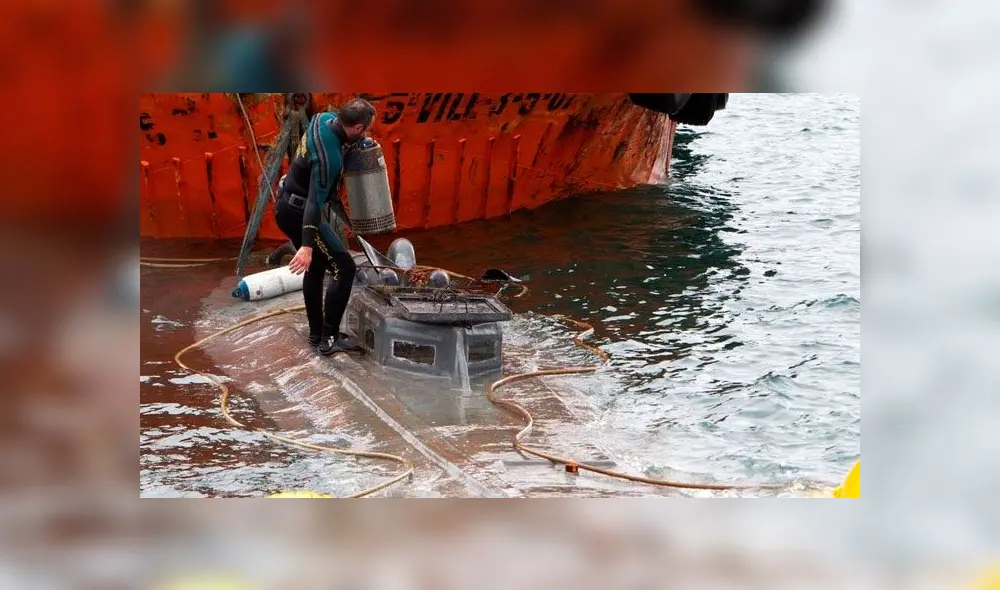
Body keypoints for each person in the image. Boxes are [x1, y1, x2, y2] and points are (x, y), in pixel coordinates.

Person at [273, 97, 376, 355]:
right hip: (300, 212)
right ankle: (328, 339)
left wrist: (361, 144)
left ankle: (317, 334)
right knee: (344, 267)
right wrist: (306, 246)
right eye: (366, 130)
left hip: (286, 203)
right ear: (358, 127)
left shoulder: (323, 119)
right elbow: (314, 205)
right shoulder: (329, 160)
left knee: (317, 268)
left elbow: (342, 143)